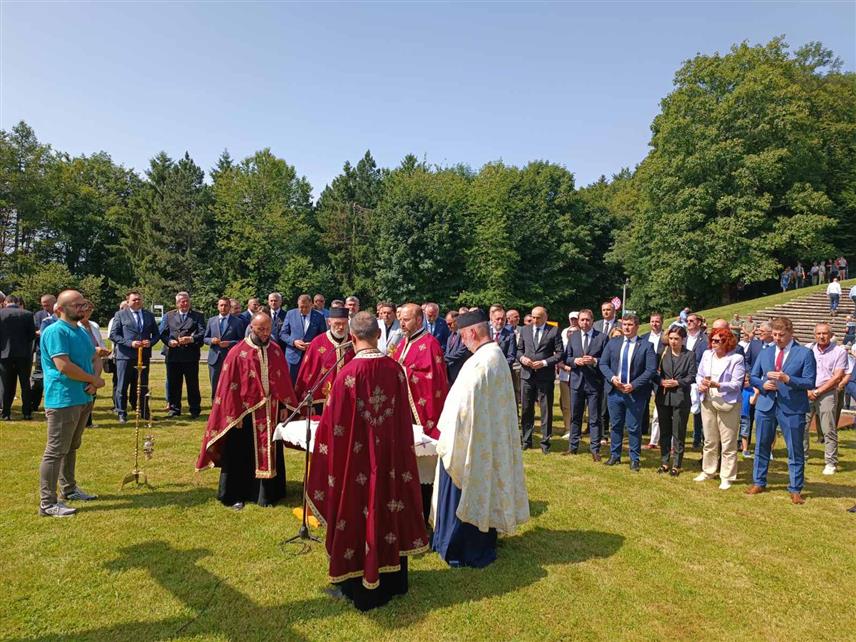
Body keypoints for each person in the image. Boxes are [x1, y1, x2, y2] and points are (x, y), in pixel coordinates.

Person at [306, 311, 427, 611]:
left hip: (356, 464)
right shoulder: (395, 370)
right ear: (377, 335)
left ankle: (356, 585)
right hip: (390, 460)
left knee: (356, 514)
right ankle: (394, 582)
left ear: (353, 336)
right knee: (389, 508)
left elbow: (332, 431)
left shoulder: (347, 375)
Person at [430, 308, 529, 568]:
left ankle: (459, 546)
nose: (462, 342)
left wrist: (448, 435)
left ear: (473, 332)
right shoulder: (493, 356)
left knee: (469, 491)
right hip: (486, 440)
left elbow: (462, 409)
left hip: (470, 444)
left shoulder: (482, 362)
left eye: (463, 337)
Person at [196, 313, 298, 509]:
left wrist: (285, 406)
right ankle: (237, 494)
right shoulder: (238, 352)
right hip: (244, 416)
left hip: (271, 411)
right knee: (241, 455)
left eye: (268, 329)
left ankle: (269, 494)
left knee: (271, 452)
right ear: (252, 327)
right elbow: (227, 388)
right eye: (261, 329)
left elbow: (283, 381)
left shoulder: (275, 350)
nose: (265, 333)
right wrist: (234, 416)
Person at [38, 290, 105, 517]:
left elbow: (95, 356)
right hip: (63, 399)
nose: (82, 308)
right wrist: (92, 379)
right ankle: (47, 503)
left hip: (83, 397)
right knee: (55, 451)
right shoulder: (56, 331)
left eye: (83, 304)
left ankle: (69, 489)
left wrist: (94, 382)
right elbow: (63, 366)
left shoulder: (82, 330)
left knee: (71, 446)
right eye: (77, 305)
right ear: (61, 309)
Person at [748, 317, 816, 504]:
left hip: (792, 407)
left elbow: (810, 382)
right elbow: (753, 376)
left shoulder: (804, 353)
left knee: (794, 449)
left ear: (790, 333)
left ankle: (795, 489)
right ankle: (758, 481)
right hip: (766, 405)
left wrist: (788, 379)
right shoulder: (766, 352)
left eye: (781, 335)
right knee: (761, 444)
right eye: (775, 335)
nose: (777, 338)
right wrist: (763, 384)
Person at [394, 303, 449, 518]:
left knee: (422, 470)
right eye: (401, 319)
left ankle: (423, 513)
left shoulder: (430, 344)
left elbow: (433, 381)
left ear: (418, 320)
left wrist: (402, 373)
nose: (402, 323)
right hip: (403, 416)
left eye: (406, 320)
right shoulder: (404, 342)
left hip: (422, 417)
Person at [598, 314, 657, 470]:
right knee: (615, 425)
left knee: (633, 426)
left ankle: (634, 458)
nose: (627, 327)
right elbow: (603, 364)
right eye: (624, 324)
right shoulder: (613, 343)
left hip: (635, 393)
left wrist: (634, 385)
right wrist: (612, 378)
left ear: (637, 327)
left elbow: (650, 370)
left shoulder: (646, 345)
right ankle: (615, 455)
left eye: (630, 324)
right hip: (615, 391)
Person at [694, 328, 745, 490]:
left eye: (718, 341)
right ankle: (708, 470)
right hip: (708, 400)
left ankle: (727, 476)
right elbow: (699, 374)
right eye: (713, 340)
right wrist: (701, 383)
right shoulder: (707, 355)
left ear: (727, 342)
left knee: (728, 442)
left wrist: (718, 385)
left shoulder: (736, 359)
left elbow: (737, 384)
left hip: (728, 403)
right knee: (709, 439)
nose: (714, 343)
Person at [562, 309, 607, 459]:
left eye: (587, 320)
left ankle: (595, 449)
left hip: (594, 383)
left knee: (594, 418)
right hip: (577, 382)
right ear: (578, 321)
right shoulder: (573, 337)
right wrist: (575, 361)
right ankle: (573, 446)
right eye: (582, 320)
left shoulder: (601, 338)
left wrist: (594, 361)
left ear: (593, 320)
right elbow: (566, 357)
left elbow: (607, 361)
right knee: (576, 416)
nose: (584, 323)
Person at [517, 306, 563, 454]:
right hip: (527, 375)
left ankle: (545, 441)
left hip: (545, 376)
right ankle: (526, 439)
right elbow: (519, 350)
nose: (535, 320)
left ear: (545, 317)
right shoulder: (525, 330)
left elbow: (560, 354)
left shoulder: (554, 331)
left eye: (538, 317)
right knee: (526, 408)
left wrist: (544, 363)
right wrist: (522, 358)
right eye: (533, 317)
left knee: (546, 409)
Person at [293, 307, 355, 413]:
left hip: (348, 399)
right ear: (329, 322)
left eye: (344, 323)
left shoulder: (354, 342)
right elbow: (308, 373)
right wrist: (307, 403)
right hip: (320, 401)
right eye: (337, 323)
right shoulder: (317, 343)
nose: (341, 327)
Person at [804, 323, 846, 476]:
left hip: (827, 392)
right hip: (807, 391)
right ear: (814, 335)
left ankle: (830, 462)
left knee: (828, 428)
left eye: (825, 333)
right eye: (819, 333)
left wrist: (818, 391)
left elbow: (837, 377)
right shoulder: (808, 349)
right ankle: (802, 457)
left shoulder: (839, 352)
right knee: (802, 426)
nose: (821, 336)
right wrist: (808, 390)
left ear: (831, 334)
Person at [654, 326, 697, 476]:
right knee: (665, 431)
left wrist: (678, 382)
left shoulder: (689, 355)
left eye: (676, 339)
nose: (673, 342)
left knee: (678, 432)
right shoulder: (662, 353)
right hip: (663, 397)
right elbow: (654, 373)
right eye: (671, 338)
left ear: (683, 339)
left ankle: (677, 464)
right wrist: (660, 382)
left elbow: (692, 376)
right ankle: (665, 461)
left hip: (681, 398)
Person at [160, 292, 205, 419]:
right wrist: (169, 342)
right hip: (173, 355)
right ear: (177, 303)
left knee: (192, 384)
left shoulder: (198, 316)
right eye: (182, 301)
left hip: (190, 355)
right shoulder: (169, 315)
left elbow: (203, 332)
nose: (184, 304)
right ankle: (174, 409)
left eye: (186, 301)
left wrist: (191, 339)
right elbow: (162, 333)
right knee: (173, 383)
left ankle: (195, 410)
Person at [0, 295, 36, 419]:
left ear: (6, 302)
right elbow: (32, 335)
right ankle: (26, 412)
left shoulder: (1, 314)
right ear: (17, 302)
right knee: (25, 383)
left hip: (4, 354)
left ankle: (6, 413)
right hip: (24, 354)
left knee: (6, 384)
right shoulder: (27, 314)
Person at [203, 297, 246, 400]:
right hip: (214, 359)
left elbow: (242, 341)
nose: (223, 308)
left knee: (230, 385)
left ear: (229, 307)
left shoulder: (237, 322)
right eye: (221, 305)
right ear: (218, 307)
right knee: (215, 385)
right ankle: (215, 409)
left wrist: (230, 343)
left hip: (230, 358)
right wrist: (211, 341)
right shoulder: (211, 320)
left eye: (226, 305)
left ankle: (229, 408)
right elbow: (205, 338)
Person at [280, 294, 326, 383]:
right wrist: (294, 342)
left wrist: (313, 345)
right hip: (293, 356)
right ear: (297, 304)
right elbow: (283, 333)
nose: (303, 309)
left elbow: (323, 336)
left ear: (311, 305)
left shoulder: (319, 316)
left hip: (312, 356)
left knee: (309, 384)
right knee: (290, 383)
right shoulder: (290, 314)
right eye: (301, 307)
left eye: (306, 307)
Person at [78, 300, 110, 427]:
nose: (88, 313)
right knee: (84, 390)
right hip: (82, 363)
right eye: (86, 310)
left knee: (93, 390)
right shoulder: (76, 326)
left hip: (95, 362)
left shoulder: (94, 325)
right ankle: (82, 420)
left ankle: (88, 420)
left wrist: (104, 350)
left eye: (91, 310)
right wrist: (95, 350)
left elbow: (99, 342)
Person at [640, 312, 665, 449]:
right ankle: (643, 431)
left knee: (659, 407)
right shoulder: (643, 338)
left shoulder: (666, 338)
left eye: (657, 321)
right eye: (652, 321)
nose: (655, 324)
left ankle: (655, 439)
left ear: (662, 322)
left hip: (660, 376)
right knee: (642, 405)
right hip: (645, 376)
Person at [557, 311, 579, 439]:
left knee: (578, 404)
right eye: (571, 319)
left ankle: (576, 428)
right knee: (565, 403)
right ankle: (568, 428)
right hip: (565, 374)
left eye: (575, 319)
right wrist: (564, 366)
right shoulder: (564, 334)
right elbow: (559, 354)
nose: (573, 321)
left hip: (578, 374)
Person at [444, 310, 471, 385]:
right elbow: (448, 351)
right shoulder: (450, 335)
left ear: (457, 321)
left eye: (450, 324)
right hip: (450, 373)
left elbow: (462, 352)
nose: (448, 326)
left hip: (460, 372)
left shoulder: (465, 334)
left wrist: (444, 359)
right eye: (447, 324)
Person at [488, 305, 516, 369]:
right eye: (498, 319)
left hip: (503, 370)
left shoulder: (510, 335)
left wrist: (499, 367)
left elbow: (511, 356)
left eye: (502, 319)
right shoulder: (486, 333)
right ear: (492, 319)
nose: (500, 321)